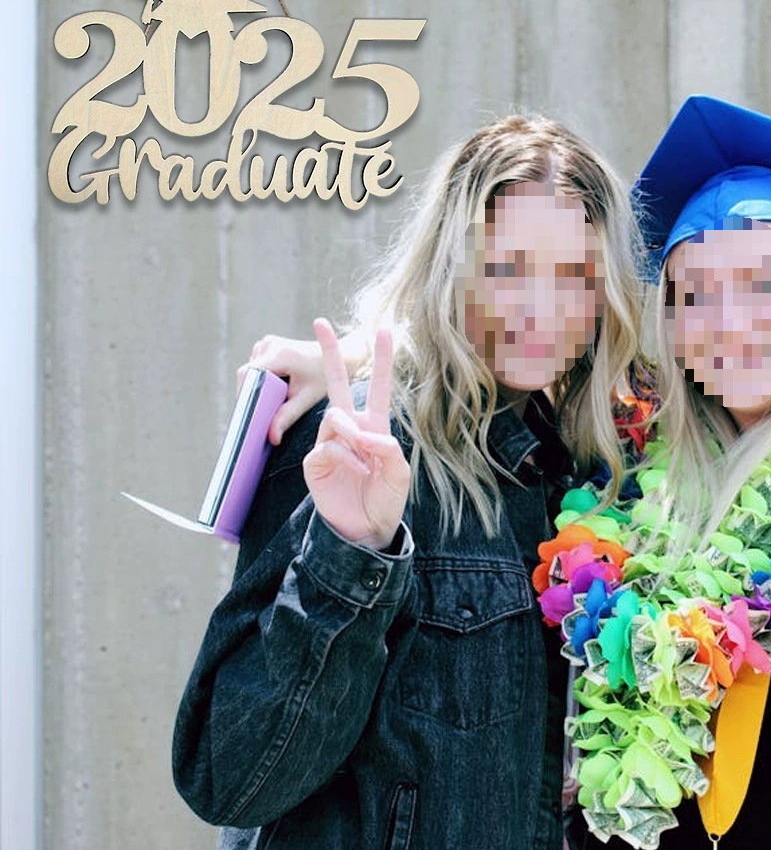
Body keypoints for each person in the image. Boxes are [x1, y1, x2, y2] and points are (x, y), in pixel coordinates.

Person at [250, 97, 771, 849]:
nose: (729, 321)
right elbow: (499, 340)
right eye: (694, 293)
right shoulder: (619, 475)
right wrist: (353, 358)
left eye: (765, 283)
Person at [171, 114, 645, 849]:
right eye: (509, 267)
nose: (540, 307)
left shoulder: (589, 473)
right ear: (454, 267)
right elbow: (229, 777)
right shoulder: (357, 447)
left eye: (574, 276)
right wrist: (349, 554)